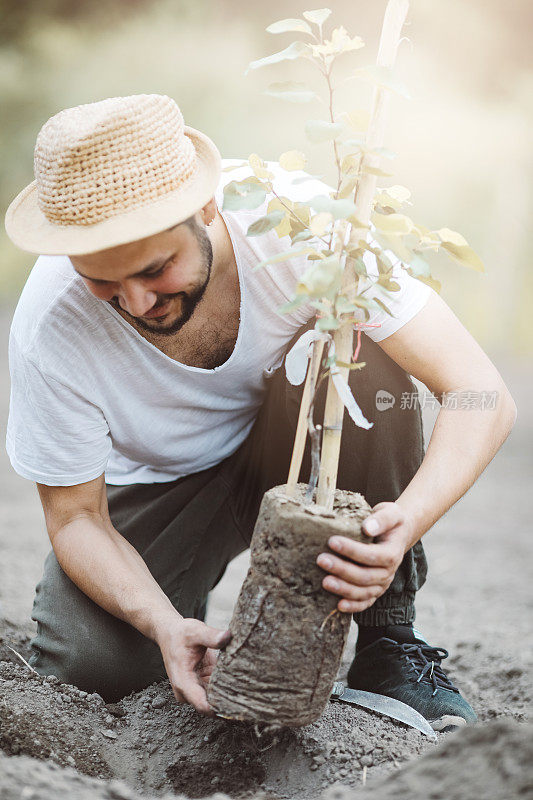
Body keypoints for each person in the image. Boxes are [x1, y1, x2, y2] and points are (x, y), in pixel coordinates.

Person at [5, 94, 516, 731]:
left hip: (302, 446)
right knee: (91, 665)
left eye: (156, 268)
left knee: (361, 351)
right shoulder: (50, 325)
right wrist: (162, 625)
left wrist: (403, 526)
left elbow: (479, 392)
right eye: (102, 283)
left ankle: (388, 643)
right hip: (168, 485)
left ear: (207, 206)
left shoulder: (304, 226)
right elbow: (76, 517)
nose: (135, 302)